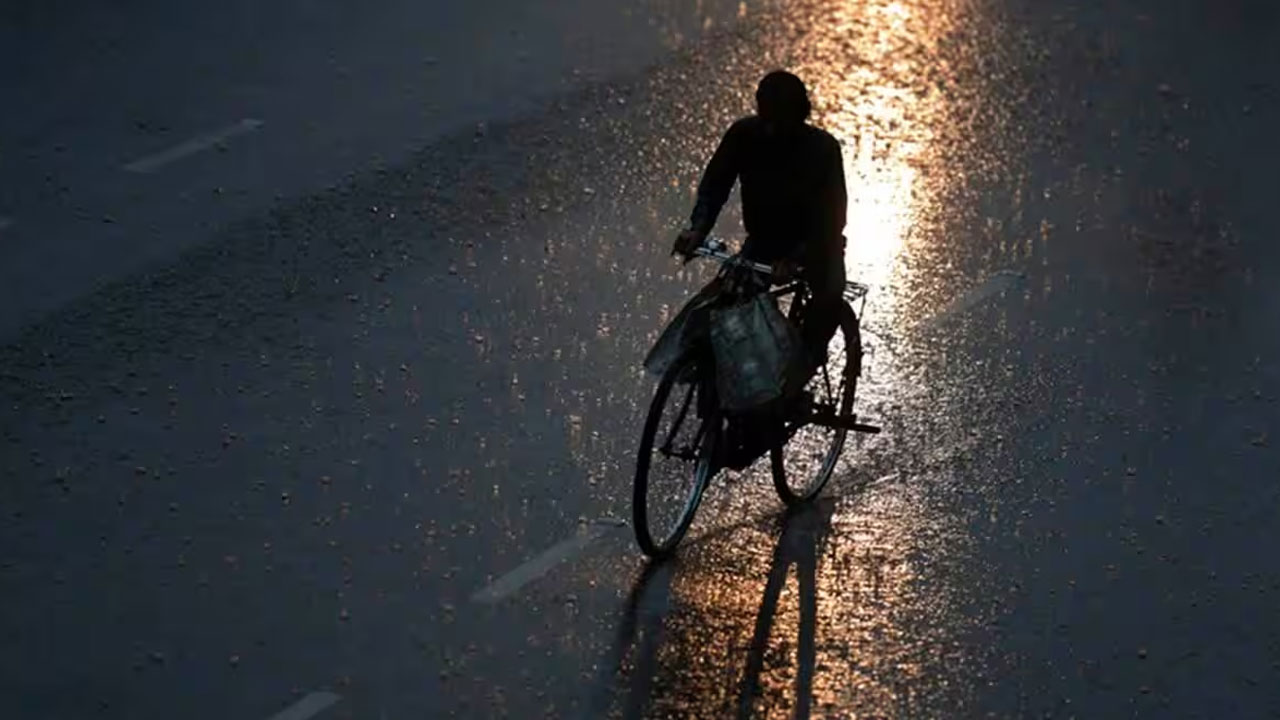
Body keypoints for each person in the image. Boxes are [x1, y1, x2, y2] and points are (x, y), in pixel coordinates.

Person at [672, 70, 848, 378]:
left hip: (817, 248)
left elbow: (832, 220)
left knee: (827, 302)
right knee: (726, 304)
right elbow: (715, 187)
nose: (773, 128)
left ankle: (799, 375)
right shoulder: (744, 135)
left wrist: (796, 259)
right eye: (767, 117)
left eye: (781, 120)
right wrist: (697, 228)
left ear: (800, 115)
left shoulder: (822, 150)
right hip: (764, 241)